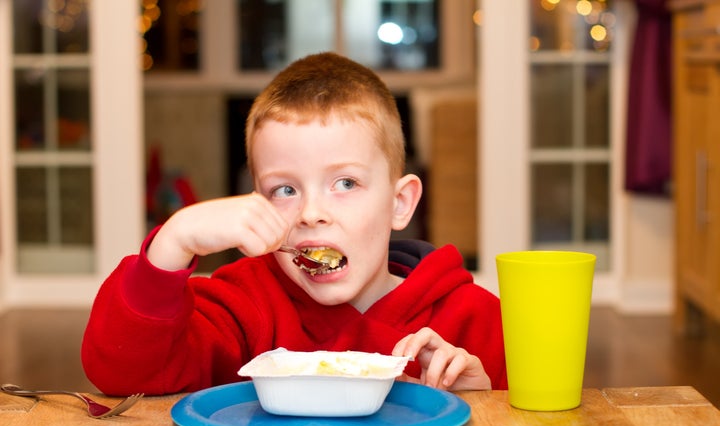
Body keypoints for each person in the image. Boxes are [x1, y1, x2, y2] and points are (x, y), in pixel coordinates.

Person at [81, 52, 507, 396]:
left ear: (399, 203)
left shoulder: (475, 319)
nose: (309, 213)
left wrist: (484, 405)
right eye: (284, 190)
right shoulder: (242, 305)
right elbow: (122, 373)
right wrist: (174, 240)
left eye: (345, 182)